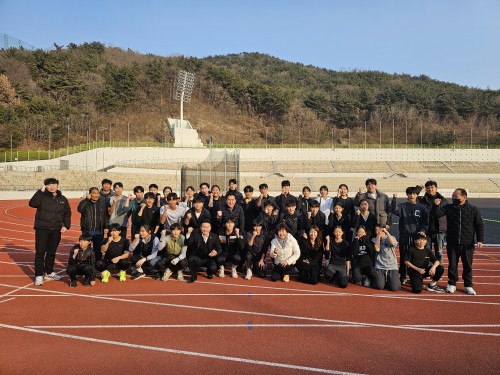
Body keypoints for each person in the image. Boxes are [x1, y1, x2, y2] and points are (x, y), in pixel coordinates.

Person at [433, 188, 484, 295]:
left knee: (467, 265)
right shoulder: (448, 207)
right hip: (452, 242)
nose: (453, 198)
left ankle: (468, 285)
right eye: (452, 196)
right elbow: (437, 215)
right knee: (452, 264)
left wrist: (480, 239)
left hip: (468, 243)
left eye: (456, 196)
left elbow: (479, 225)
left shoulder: (473, 209)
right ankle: (452, 284)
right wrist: (436, 205)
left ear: (464, 197)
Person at [29, 178, 71, 286]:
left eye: (54, 184)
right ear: (45, 186)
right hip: (42, 229)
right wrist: (40, 191)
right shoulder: (41, 196)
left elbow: (67, 213)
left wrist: (66, 225)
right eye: (49, 185)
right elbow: (32, 203)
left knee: (51, 253)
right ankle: (38, 276)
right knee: (40, 252)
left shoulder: (63, 199)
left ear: (57, 185)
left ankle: (49, 272)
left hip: (56, 229)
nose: (52, 186)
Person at [392, 186, 429, 284]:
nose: (412, 195)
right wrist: (394, 199)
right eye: (409, 193)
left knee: (416, 257)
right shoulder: (402, 206)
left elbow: (425, 222)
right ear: (407, 195)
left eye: (413, 194)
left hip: (416, 237)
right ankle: (403, 275)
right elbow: (394, 210)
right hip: (405, 236)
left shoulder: (421, 208)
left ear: (417, 195)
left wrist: (422, 230)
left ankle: (416, 275)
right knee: (404, 256)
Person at [418, 181, 448, 264]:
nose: (430, 189)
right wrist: (419, 188)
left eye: (432, 187)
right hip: (426, 230)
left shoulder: (443, 200)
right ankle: (428, 270)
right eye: (428, 188)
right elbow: (412, 195)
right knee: (427, 252)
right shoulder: (422, 200)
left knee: (439, 252)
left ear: (436, 188)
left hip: (439, 230)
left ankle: (438, 269)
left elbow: (446, 215)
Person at [77, 187, 109, 261]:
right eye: (94, 193)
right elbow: (80, 209)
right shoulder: (85, 202)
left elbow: (106, 216)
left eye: (97, 193)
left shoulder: (102, 203)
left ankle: (97, 264)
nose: (96, 195)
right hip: (87, 230)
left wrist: (106, 226)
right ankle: (85, 263)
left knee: (98, 249)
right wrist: (86, 200)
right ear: (90, 194)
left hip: (99, 230)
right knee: (86, 248)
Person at [373, 225, 401, 291]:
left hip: (391, 265)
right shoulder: (375, 239)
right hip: (380, 265)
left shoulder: (392, 237)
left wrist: (387, 232)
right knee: (379, 287)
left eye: (379, 230)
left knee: (395, 288)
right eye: (376, 231)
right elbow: (377, 249)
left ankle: (393, 280)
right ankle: (381, 280)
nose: (378, 232)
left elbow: (393, 244)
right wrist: (378, 236)